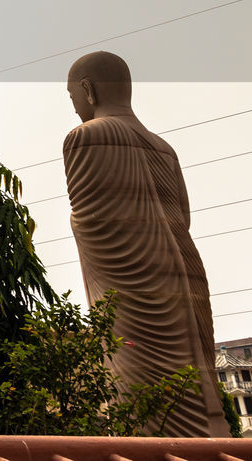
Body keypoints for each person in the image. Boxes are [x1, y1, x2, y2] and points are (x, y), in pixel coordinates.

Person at [63, 51, 227, 437]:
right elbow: (182, 219)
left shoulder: (84, 137)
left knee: (141, 406)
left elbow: (90, 221)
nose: (74, 110)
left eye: (72, 98)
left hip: (135, 294)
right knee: (200, 391)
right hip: (186, 279)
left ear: (87, 90)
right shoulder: (163, 148)